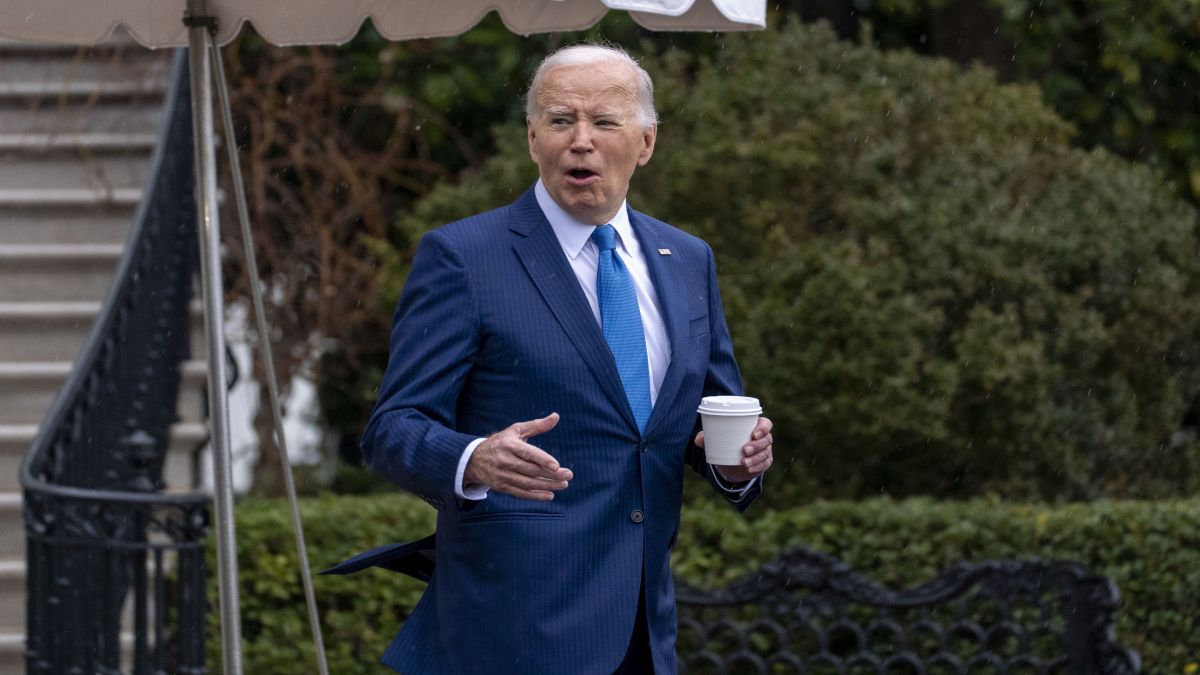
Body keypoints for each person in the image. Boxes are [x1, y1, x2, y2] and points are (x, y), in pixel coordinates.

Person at [347, 44, 774, 674]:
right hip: (511, 630)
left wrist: (738, 464)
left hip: (645, 633)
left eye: (604, 122)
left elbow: (702, 421)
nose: (581, 141)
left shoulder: (687, 260)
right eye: (559, 121)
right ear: (532, 139)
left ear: (646, 143)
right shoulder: (464, 258)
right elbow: (391, 429)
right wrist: (474, 458)